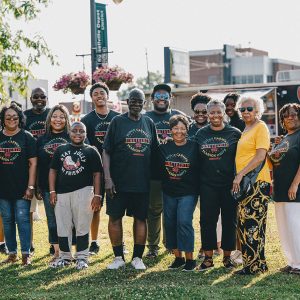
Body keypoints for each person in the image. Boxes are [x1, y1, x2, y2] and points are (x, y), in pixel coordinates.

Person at [103, 88, 158, 270]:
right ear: (127, 101)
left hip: (142, 181)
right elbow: (106, 151)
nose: (136, 103)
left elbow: (156, 151)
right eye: (133, 100)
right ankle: (118, 257)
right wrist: (108, 179)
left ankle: (137, 258)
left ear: (144, 103)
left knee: (141, 218)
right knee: (115, 218)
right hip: (118, 182)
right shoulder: (117, 122)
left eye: (139, 101)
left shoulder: (149, 123)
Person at [49, 122, 102, 270]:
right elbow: (53, 171)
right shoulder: (60, 149)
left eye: (81, 131)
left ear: (86, 134)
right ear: (69, 133)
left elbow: (97, 174)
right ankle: (65, 257)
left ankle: (82, 257)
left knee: (82, 225)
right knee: (63, 226)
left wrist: (97, 194)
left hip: (84, 191)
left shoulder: (91, 151)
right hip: (62, 193)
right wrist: (52, 191)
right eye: (74, 131)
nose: (78, 134)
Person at [196, 99, 241, 271]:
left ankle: (227, 258)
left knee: (230, 220)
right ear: (207, 114)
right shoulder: (201, 134)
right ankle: (208, 258)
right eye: (212, 112)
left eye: (218, 112)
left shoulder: (235, 133)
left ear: (223, 113)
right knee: (207, 221)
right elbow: (195, 159)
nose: (215, 115)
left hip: (229, 185)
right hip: (207, 184)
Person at [145, 83, 185, 258]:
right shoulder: (145, 117)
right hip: (153, 171)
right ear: (152, 99)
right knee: (153, 210)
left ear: (171, 99)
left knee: (172, 209)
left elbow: (187, 141)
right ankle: (153, 246)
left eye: (165, 96)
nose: (161, 100)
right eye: (158, 96)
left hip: (174, 172)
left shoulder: (179, 117)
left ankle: (171, 244)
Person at [232, 96, 271, 275]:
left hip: (257, 183)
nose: (246, 112)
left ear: (257, 110)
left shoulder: (260, 127)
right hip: (246, 184)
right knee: (244, 223)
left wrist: (240, 175)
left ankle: (255, 266)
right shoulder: (246, 129)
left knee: (253, 225)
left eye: (250, 108)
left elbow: (260, 156)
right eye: (243, 109)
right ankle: (253, 264)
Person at [81, 82, 120, 255]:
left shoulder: (118, 118)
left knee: (116, 209)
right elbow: (84, 145)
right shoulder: (86, 120)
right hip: (94, 170)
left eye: (102, 93)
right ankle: (94, 242)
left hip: (115, 169)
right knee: (94, 206)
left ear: (107, 96)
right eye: (95, 93)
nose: (99, 96)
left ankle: (120, 243)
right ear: (92, 98)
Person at [159, 115, 199, 271]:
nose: (179, 131)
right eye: (175, 128)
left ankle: (190, 260)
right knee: (170, 224)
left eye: (182, 128)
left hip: (188, 191)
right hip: (169, 191)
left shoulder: (194, 146)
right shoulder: (163, 147)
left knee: (184, 222)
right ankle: (178, 258)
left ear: (187, 130)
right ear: (170, 130)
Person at [0, 104, 37, 266]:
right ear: (2, 119)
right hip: (3, 188)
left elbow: (33, 163)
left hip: (22, 188)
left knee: (22, 220)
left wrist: (30, 186)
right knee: (7, 220)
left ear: (20, 119)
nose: (11, 119)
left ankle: (26, 254)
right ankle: (12, 253)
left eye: (15, 116)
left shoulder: (27, 137)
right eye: (8, 117)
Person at [36, 105, 71, 262]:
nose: (58, 119)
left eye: (62, 117)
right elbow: (36, 164)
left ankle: (70, 251)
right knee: (52, 219)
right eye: (55, 116)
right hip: (47, 187)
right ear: (49, 119)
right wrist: (37, 185)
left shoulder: (73, 136)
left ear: (66, 119)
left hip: (70, 186)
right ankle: (57, 252)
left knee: (70, 220)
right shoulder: (41, 140)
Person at [269, 103, 300, 275]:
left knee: (296, 226)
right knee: (284, 227)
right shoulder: (285, 138)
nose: (291, 117)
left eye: (294, 114)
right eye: (287, 115)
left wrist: (295, 184)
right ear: (282, 120)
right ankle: (292, 261)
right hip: (280, 190)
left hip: (294, 190)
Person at [24, 87, 50, 254]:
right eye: (36, 96)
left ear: (46, 98)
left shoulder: (51, 114)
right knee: (29, 210)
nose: (39, 99)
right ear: (31, 98)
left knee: (52, 210)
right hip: (30, 169)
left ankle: (53, 243)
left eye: (42, 96)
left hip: (49, 168)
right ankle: (30, 244)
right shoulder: (25, 116)